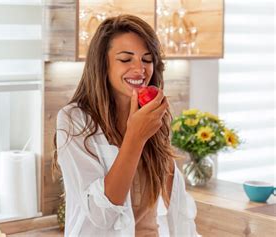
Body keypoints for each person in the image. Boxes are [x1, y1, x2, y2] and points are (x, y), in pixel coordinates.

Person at [53, 15, 199, 236]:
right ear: (102, 64)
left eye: (147, 59)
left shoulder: (152, 116)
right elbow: (101, 216)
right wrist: (135, 137)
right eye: (125, 59)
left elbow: (176, 208)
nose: (140, 69)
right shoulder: (74, 121)